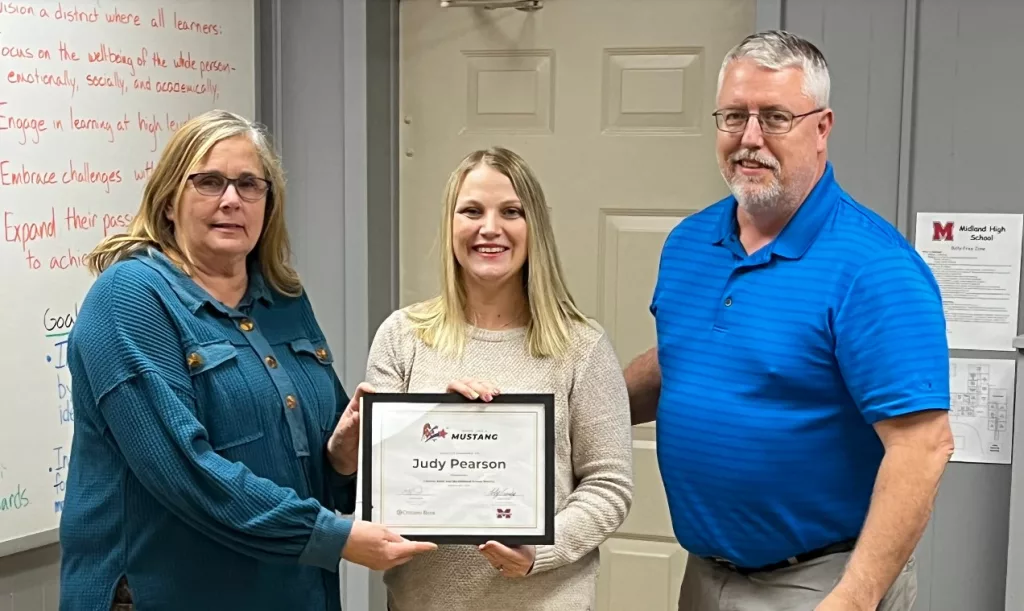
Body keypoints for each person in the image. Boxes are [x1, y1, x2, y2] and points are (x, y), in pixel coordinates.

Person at [624, 31, 954, 611]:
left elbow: (923, 446)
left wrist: (853, 599)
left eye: (775, 117)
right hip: (705, 574)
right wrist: (555, 414)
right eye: (733, 116)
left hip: (823, 581)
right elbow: (680, 361)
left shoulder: (873, 267)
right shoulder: (689, 243)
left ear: (822, 127)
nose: (749, 139)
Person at [59, 109, 435, 611]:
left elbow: (307, 471)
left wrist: (342, 457)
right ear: (169, 201)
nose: (231, 200)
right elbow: (186, 474)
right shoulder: (129, 298)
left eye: (248, 184)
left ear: (267, 203)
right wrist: (333, 537)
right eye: (209, 182)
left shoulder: (284, 299)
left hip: (291, 591)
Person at [352, 146, 633, 610]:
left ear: (534, 227)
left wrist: (539, 550)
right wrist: (430, 421)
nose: (489, 228)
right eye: (471, 211)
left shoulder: (581, 347)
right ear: (450, 224)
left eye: (511, 212)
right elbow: (377, 492)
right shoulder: (401, 337)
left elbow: (609, 486)